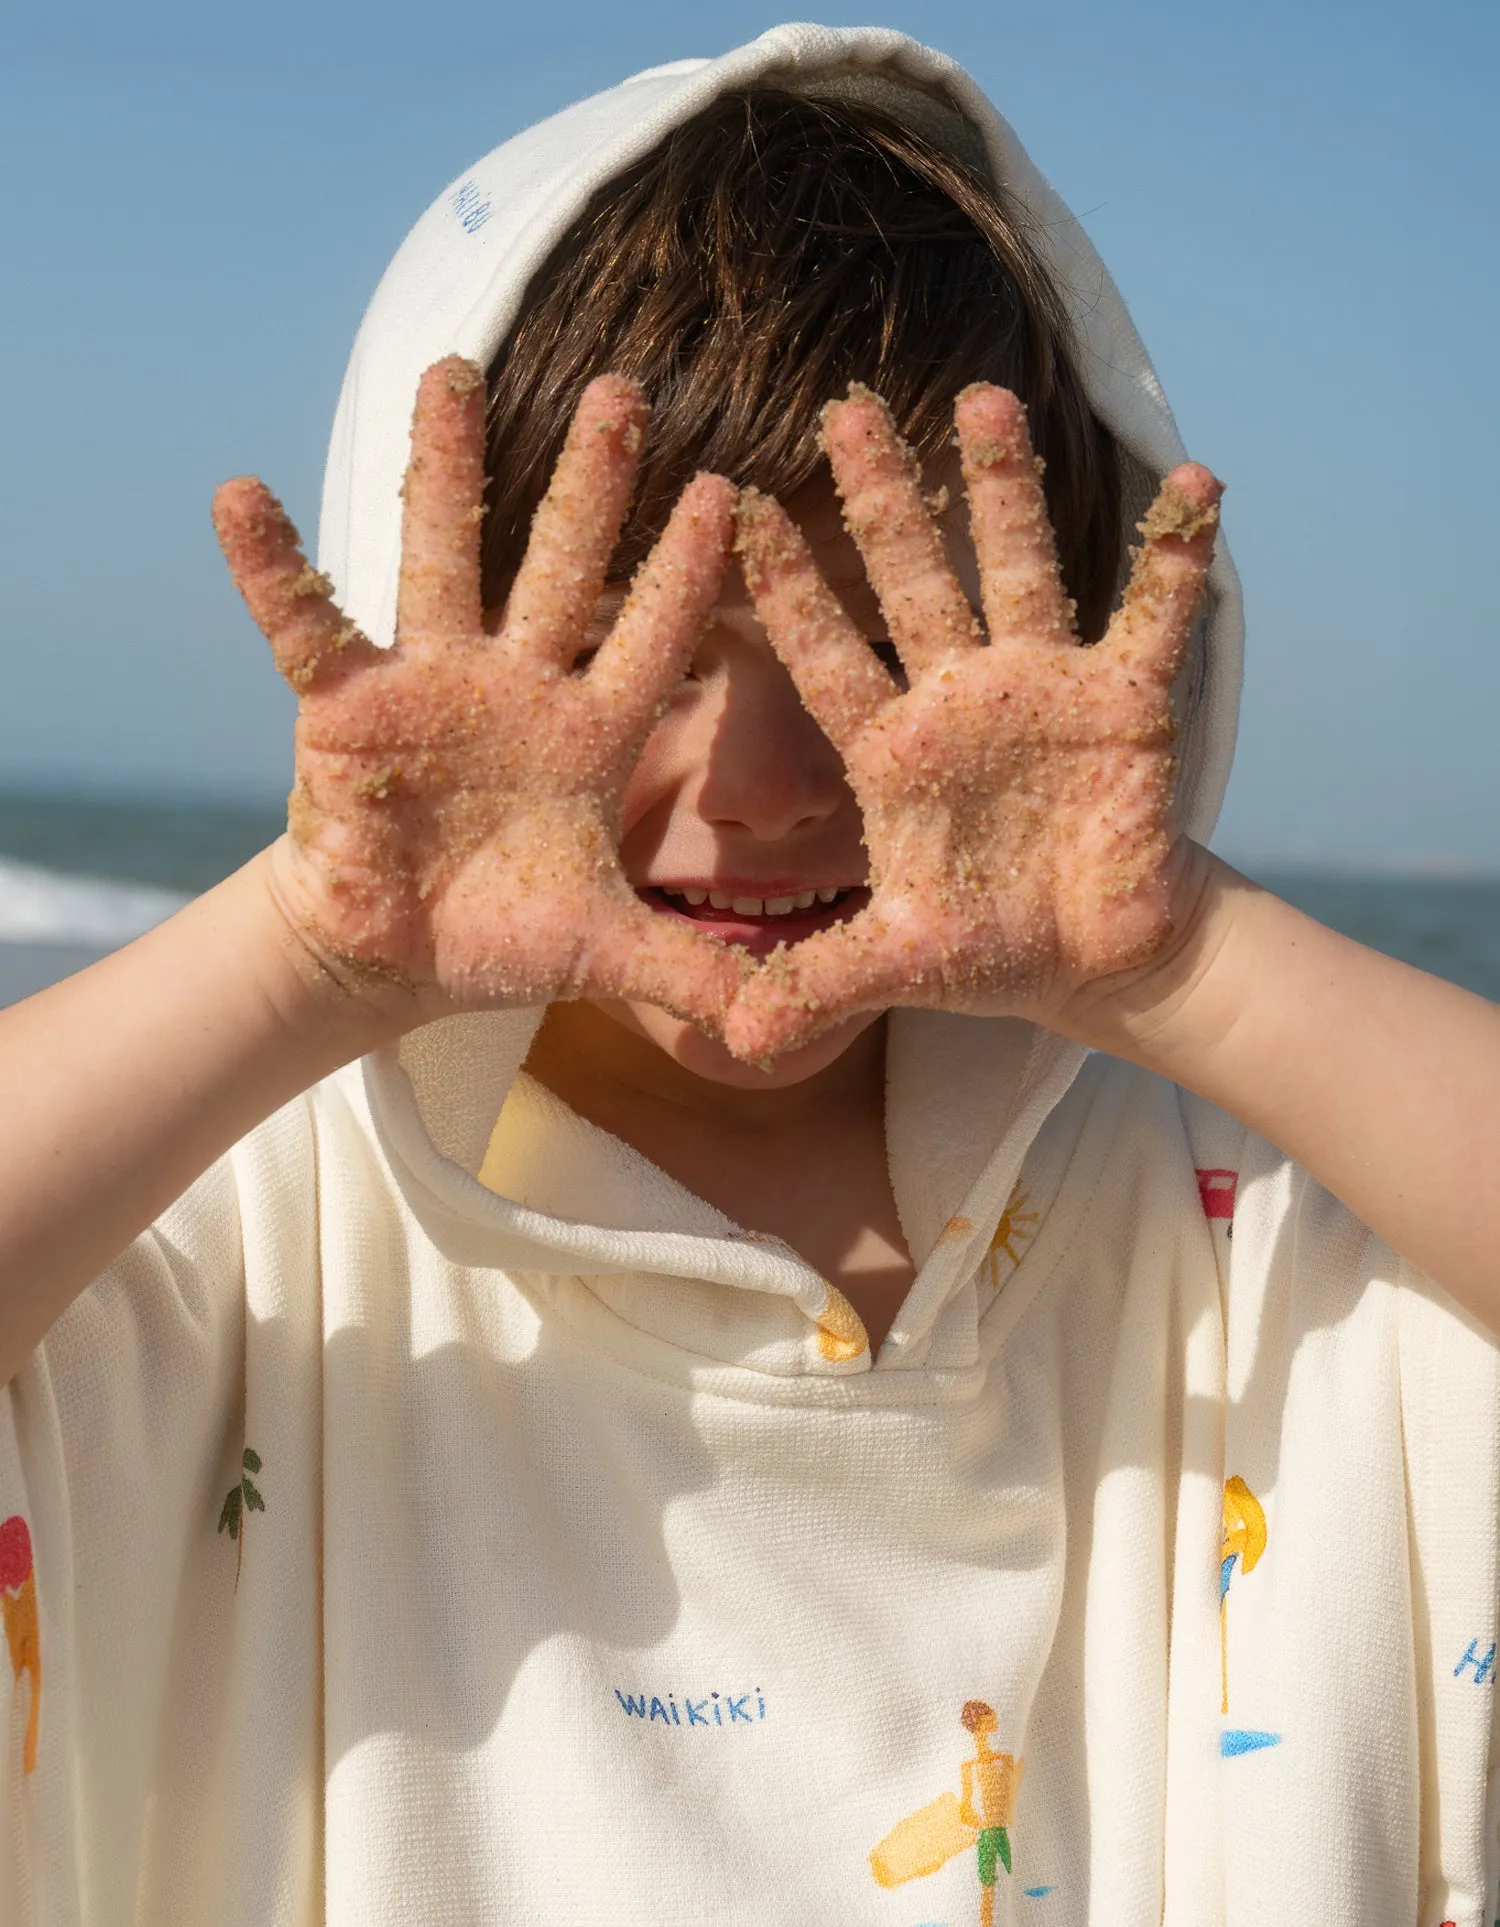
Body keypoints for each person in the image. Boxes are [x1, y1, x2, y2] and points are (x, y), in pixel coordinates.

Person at [1, 24, 1496, 1925]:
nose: (766, 788)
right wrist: (306, 952)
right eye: (629, 652)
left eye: (882, 645)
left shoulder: (1240, 1233)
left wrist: (1185, 961)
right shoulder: (241, 1240)